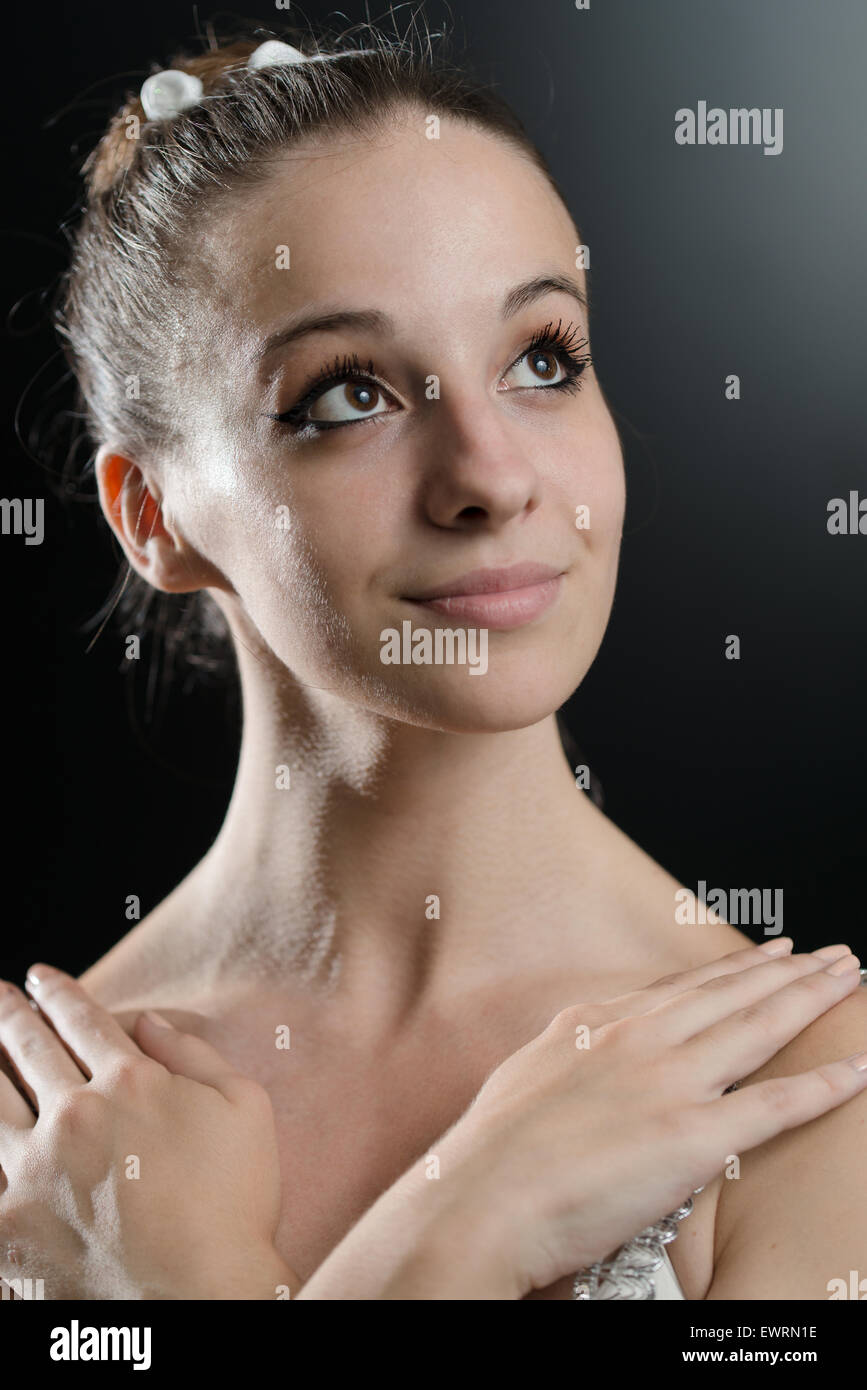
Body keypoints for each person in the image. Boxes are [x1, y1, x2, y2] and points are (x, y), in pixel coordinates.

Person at [1, 23, 864, 1302]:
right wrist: (459, 1231)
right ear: (154, 517)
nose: (493, 476)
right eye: (350, 393)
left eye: (541, 359)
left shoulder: (804, 1085)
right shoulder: (45, 1132)